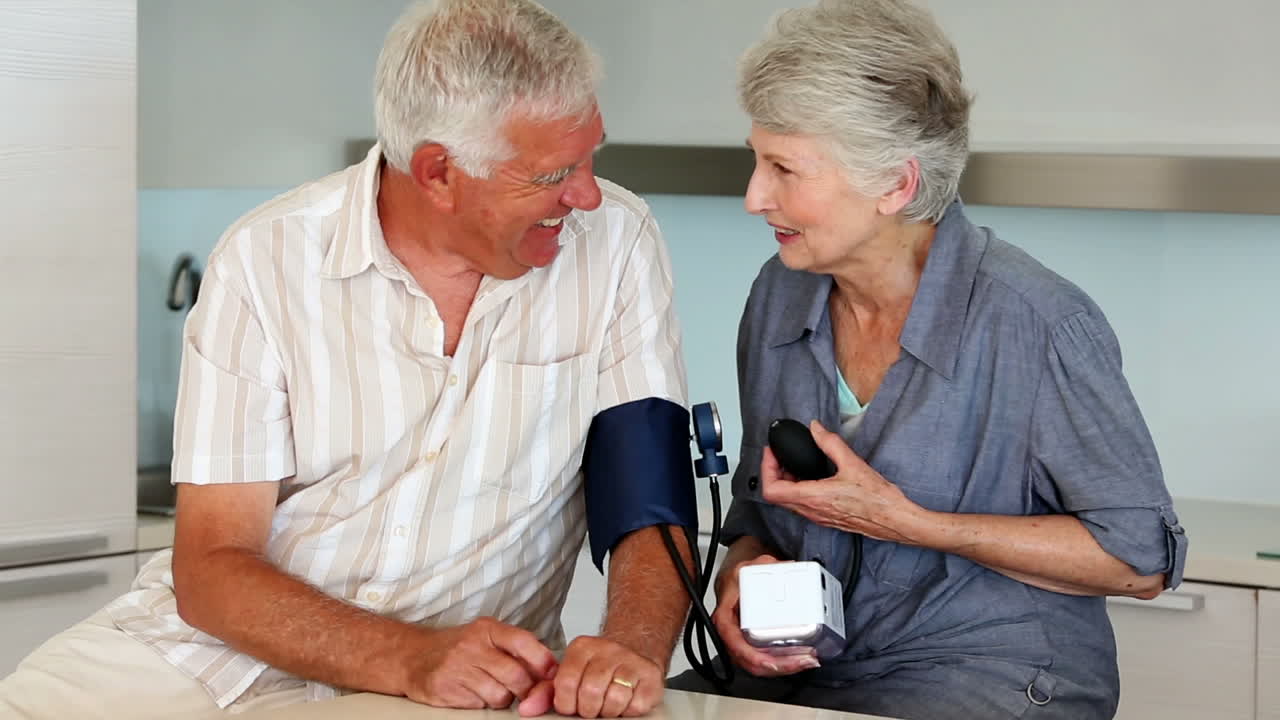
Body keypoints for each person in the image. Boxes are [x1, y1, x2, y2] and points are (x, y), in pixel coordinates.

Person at [0, 1, 698, 718]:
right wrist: (406, 655)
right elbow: (209, 569)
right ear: (437, 172)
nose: (585, 195)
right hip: (196, 660)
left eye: (591, 155)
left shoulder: (615, 244)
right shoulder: (265, 260)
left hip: (456, 693)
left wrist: (633, 648)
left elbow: (651, 501)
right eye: (553, 174)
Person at [667, 1, 1189, 718]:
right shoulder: (778, 293)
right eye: (756, 160)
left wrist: (911, 522)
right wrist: (742, 573)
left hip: (992, 673)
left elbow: (1141, 562)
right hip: (806, 670)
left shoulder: (1038, 322)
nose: (755, 197)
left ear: (897, 186)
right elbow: (760, 512)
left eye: (785, 168)